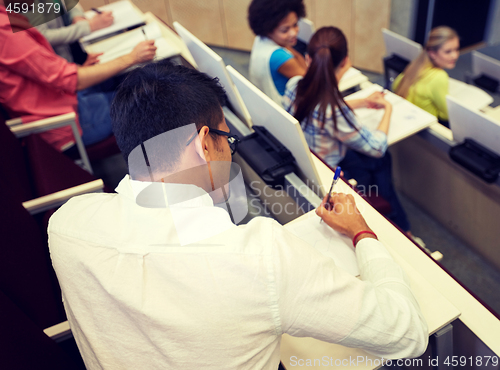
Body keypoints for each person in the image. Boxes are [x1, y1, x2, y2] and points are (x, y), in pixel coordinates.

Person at [48, 60, 428, 369]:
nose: (229, 153)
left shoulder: (67, 224)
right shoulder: (261, 258)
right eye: (227, 140)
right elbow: (407, 333)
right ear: (204, 145)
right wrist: (363, 234)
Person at [283, 26, 414, 237]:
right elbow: (377, 146)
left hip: (310, 161)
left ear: (308, 58)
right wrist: (387, 109)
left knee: (371, 161)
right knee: (381, 158)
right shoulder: (335, 111)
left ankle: (396, 220)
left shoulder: (294, 85)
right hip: (332, 173)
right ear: (345, 61)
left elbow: (318, 107)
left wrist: (361, 102)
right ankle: (401, 226)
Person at [0, 0, 156, 151]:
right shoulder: (4, 32)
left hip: (68, 103)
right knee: (152, 101)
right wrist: (132, 57)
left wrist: (79, 70)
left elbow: (38, 71)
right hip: (64, 124)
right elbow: (71, 79)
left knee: (139, 88)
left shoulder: (7, 17)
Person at [393, 26, 459, 126]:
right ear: (432, 54)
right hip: (425, 131)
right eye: (448, 51)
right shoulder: (439, 77)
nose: (454, 55)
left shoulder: (413, 67)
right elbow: (446, 115)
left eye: (456, 49)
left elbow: (395, 86)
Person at [248, 0, 307, 106]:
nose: (294, 33)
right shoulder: (280, 57)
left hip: (265, 104)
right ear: (268, 30)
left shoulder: (260, 40)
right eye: (285, 30)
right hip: (285, 110)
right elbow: (310, 82)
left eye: (295, 24)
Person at [33, 1, 114, 65]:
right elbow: (42, 36)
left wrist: (77, 16)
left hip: (76, 45)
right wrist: (90, 25)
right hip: (60, 61)